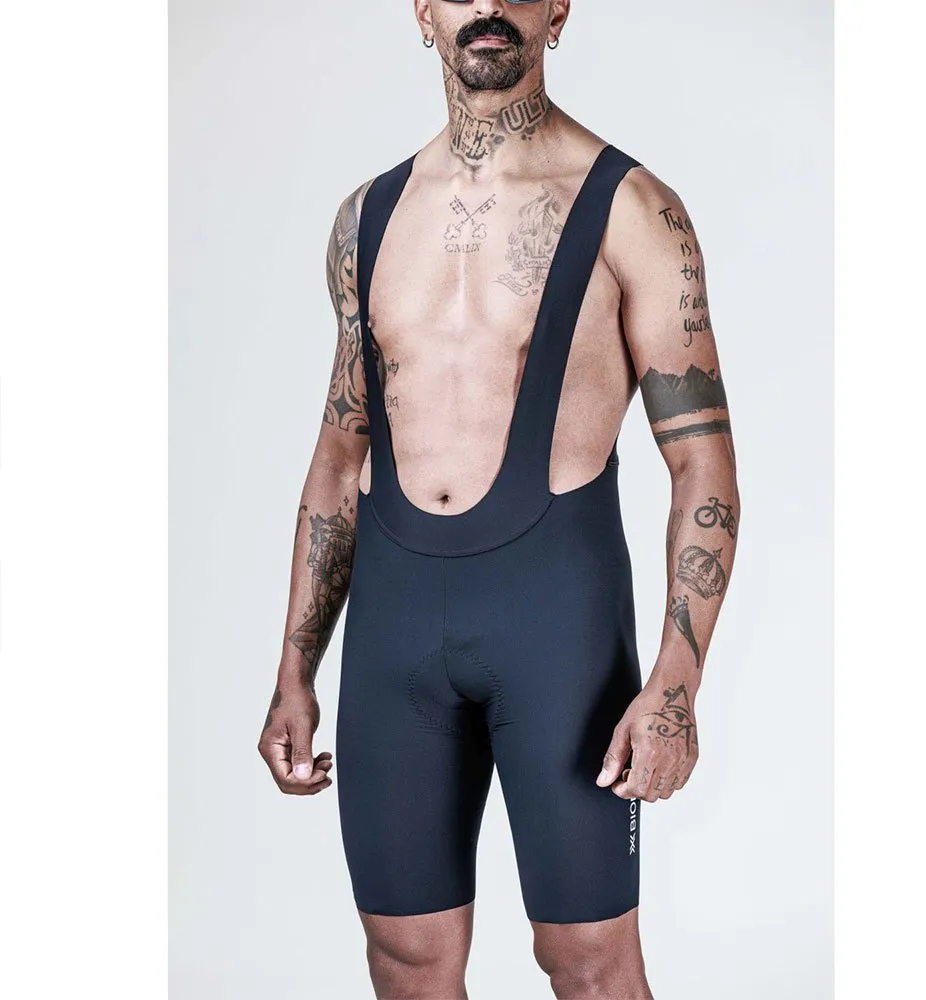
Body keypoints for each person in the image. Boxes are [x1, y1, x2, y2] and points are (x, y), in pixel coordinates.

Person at [258, 2, 739, 996]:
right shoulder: (366, 218)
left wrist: (676, 685)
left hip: (556, 629)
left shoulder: (633, 209)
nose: (486, 5)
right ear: (422, 14)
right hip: (395, 634)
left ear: (557, 9)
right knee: (406, 959)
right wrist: (294, 670)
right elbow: (339, 454)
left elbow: (703, 465)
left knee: (589, 963)